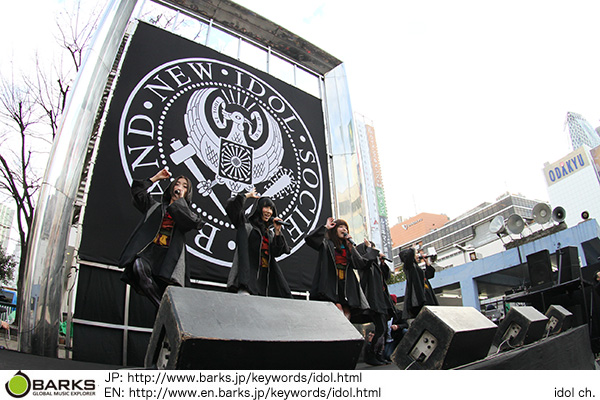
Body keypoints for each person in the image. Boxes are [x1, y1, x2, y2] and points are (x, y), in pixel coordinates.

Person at [119, 168, 204, 308]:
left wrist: (180, 202)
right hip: (150, 251)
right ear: (171, 188)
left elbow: (196, 223)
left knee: (166, 290)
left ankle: (164, 311)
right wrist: (155, 178)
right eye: (177, 184)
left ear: (187, 193)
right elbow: (138, 192)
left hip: (168, 258)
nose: (180, 187)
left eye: (184, 186)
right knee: (139, 267)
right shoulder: (155, 207)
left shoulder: (186, 214)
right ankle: (161, 307)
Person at [305, 217, 375, 320]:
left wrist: (353, 248)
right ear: (335, 229)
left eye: (346, 228)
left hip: (346, 285)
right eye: (341, 227)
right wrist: (326, 227)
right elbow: (310, 239)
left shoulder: (348, 247)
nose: (344, 229)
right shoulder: (327, 243)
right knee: (337, 308)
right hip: (331, 283)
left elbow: (361, 264)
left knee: (347, 311)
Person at [226, 188, 292, 298]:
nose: (269, 211)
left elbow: (277, 252)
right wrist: (247, 195)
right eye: (266, 207)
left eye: (271, 209)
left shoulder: (269, 234)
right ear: (259, 209)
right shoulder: (246, 227)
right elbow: (232, 208)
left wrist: (277, 231)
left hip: (265, 283)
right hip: (248, 281)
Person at [356, 242, 395, 365]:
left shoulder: (375, 265)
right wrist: (369, 249)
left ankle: (378, 355)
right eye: (371, 249)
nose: (375, 252)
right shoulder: (365, 263)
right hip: (373, 299)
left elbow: (386, 278)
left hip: (381, 299)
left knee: (383, 328)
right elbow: (367, 260)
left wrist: (382, 264)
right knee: (381, 327)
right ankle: (371, 355)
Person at [399, 246, 438, 319]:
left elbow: (429, 275)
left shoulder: (418, 269)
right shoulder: (410, 268)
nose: (418, 256)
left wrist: (427, 263)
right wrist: (413, 249)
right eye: (416, 254)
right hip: (419, 299)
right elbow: (408, 257)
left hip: (427, 296)